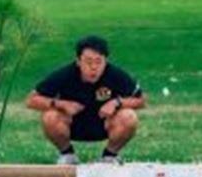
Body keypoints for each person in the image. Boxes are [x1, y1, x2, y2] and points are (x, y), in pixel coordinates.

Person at [26, 36, 145, 165]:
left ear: (106, 61)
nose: (94, 67)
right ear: (78, 61)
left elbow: (141, 99)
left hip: (104, 124)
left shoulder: (115, 74)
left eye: (99, 62)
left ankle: (109, 156)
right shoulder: (65, 74)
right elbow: (31, 100)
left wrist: (117, 102)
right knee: (49, 116)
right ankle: (67, 155)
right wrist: (60, 104)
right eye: (88, 62)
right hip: (71, 124)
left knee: (129, 116)